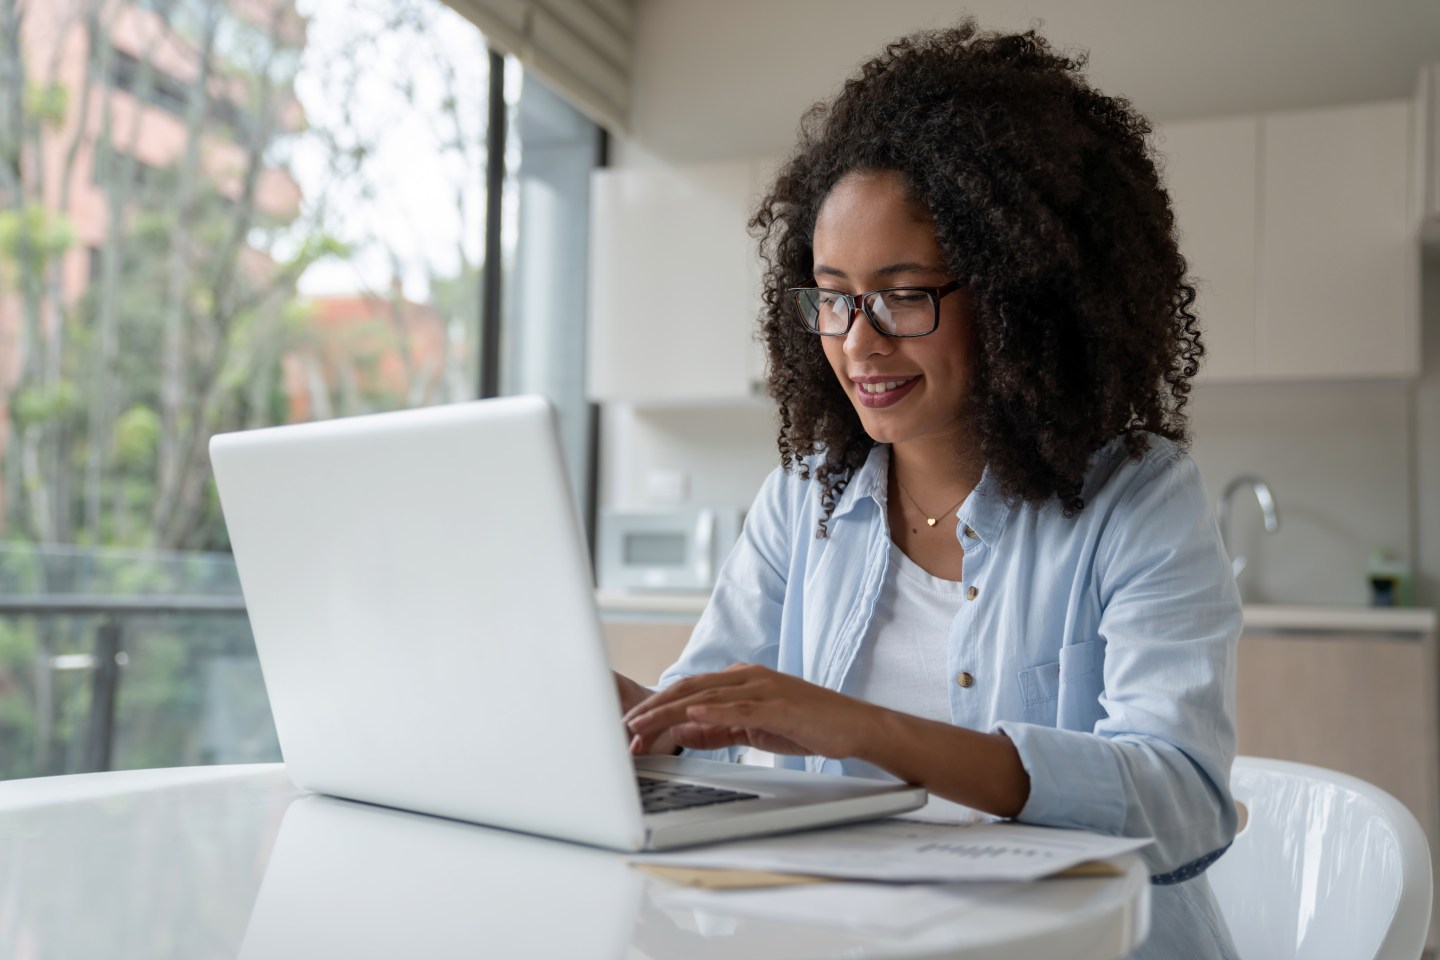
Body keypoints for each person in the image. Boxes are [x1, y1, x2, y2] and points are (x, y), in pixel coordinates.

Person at [615, 20, 1241, 960]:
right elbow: (706, 729)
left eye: (904, 295)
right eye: (833, 296)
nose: (859, 343)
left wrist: (866, 730)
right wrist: (610, 710)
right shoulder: (807, 499)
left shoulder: (1137, 499)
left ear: (1018, 293)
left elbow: (1182, 800)